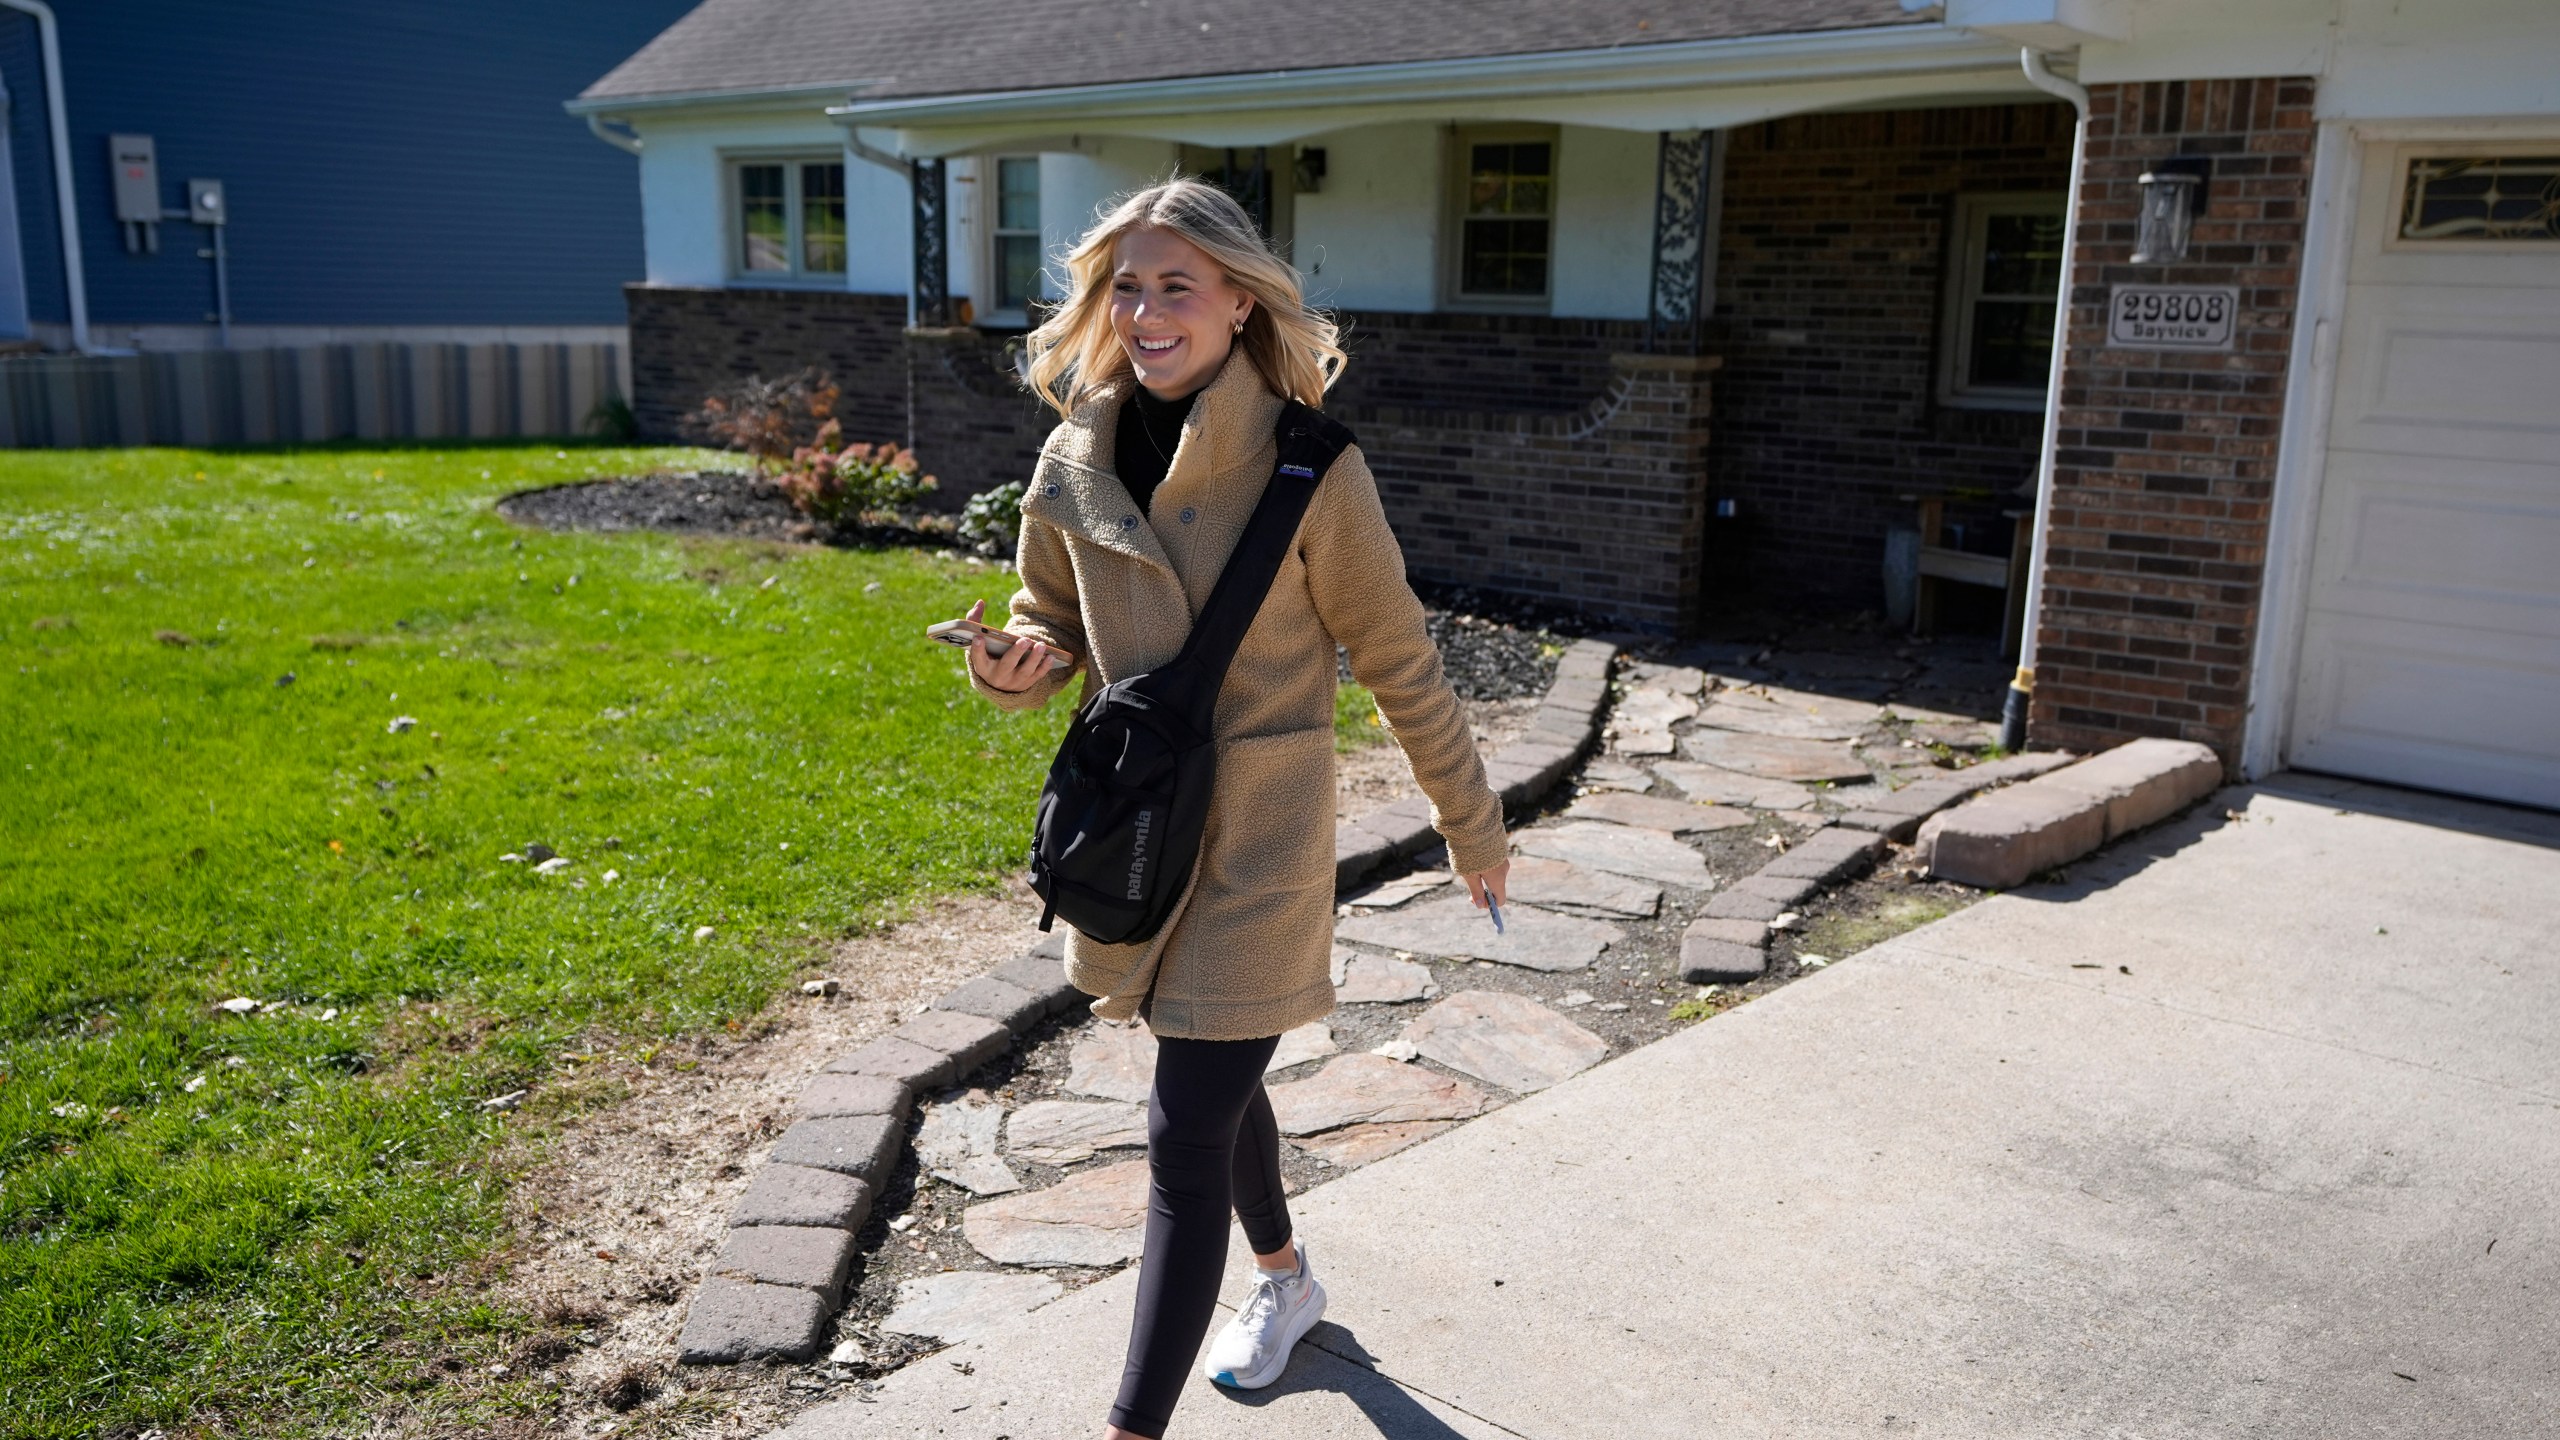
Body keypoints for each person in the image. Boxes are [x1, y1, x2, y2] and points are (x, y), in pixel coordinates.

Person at [959, 176, 1510, 1440]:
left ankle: (1127, 1427)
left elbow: (1396, 655)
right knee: (1212, 1074)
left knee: (1184, 1125)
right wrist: (1013, 667)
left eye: (1176, 286)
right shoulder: (1074, 452)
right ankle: (1285, 1280)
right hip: (1132, 830)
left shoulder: (1312, 464)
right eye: (1127, 286)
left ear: (1236, 299)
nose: (1148, 312)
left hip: (1257, 835)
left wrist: (1468, 822)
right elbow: (1046, 620)